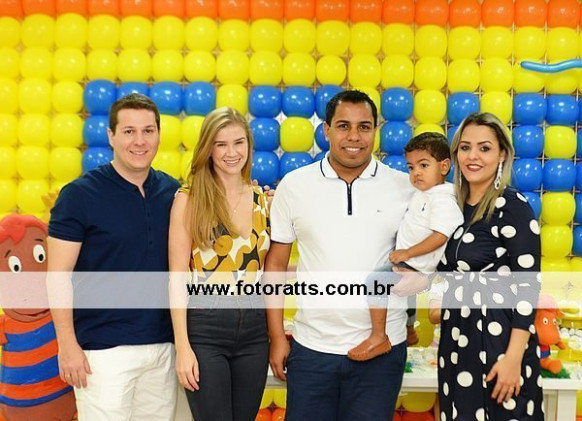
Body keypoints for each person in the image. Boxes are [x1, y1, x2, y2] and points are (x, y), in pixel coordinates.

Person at [266, 90, 418, 421]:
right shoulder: (294, 186)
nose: (354, 137)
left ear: (375, 130)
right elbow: (275, 265)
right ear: (327, 130)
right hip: (312, 348)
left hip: (382, 352)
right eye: (343, 126)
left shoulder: (406, 188)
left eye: (364, 127)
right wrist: (277, 336)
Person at [48, 93, 180, 420]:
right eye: (129, 131)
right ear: (111, 136)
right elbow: (57, 275)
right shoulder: (79, 195)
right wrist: (67, 345)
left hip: (163, 348)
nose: (139, 141)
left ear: (159, 135)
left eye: (148, 131)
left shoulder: (172, 191)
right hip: (102, 353)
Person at [437, 112, 544, 420]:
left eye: (484, 148)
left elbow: (528, 287)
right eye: (465, 147)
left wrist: (513, 358)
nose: (473, 156)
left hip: (499, 339)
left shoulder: (512, 206)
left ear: (502, 155)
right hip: (457, 339)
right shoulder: (452, 208)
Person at [169, 107, 270, 421]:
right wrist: (183, 347)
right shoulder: (189, 199)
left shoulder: (263, 200)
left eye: (238, 142)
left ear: (248, 145)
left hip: (254, 329)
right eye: (221, 144)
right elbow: (176, 278)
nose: (231, 152)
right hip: (205, 328)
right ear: (208, 149)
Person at [348, 132, 463, 361]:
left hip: (417, 264)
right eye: (411, 167)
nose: (416, 172)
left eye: (423, 165)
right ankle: (409, 330)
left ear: (444, 166)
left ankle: (378, 336)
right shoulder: (425, 193)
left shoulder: (443, 199)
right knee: (406, 297)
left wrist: (408, 253)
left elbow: (440, 236)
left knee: (375, 282)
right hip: (411, 262)